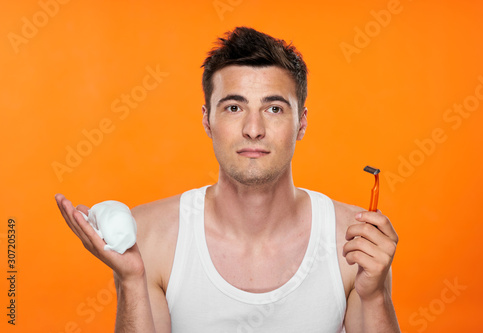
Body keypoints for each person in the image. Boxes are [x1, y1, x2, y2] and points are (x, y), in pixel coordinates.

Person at [55, 26, 400, 333]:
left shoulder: (354, 243)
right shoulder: (151, 237)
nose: (253, 130)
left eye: (274, 108)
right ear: (207, 120)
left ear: (302, 123)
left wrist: (375, 297)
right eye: (234, 108)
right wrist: (131, 281)